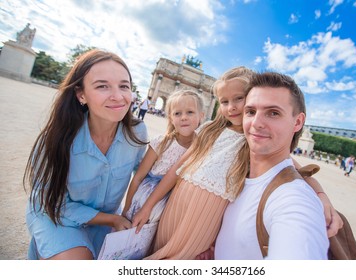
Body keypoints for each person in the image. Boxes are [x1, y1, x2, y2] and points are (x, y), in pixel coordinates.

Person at [132, 67, 341, 260]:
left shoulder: (253, 141)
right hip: (176, 206)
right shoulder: (209, 131)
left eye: (239, 99)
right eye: (224, 102)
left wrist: (321, 196)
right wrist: (148, 207)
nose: (231, 107)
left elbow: (292, 168)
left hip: (204, 220)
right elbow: (176, 171)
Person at [23, 49, 148, 260]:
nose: (118, 96)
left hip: (107, 221)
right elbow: (49, 201)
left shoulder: (137, 131)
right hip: (56, 215)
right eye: (102, 86)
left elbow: (145, 174)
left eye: (124, 86)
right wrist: (112, 219)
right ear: (81, 94)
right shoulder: (58, 137)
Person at [214, 71, 329, 259]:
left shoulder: (294, 200)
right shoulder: (237, 173)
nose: (256, 123)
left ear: (298, 122)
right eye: (250, 112)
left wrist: (320, 195)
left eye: (273, 113)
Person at [122, 89, 204, 226]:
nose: (183, 117)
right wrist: (126, 209)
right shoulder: (162, 142)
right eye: (177, 113)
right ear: (171, 118)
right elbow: (138, 177)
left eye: (190, 112)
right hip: (142, 201)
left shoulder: (202, 150)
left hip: (172, 208)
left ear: (201, 116)